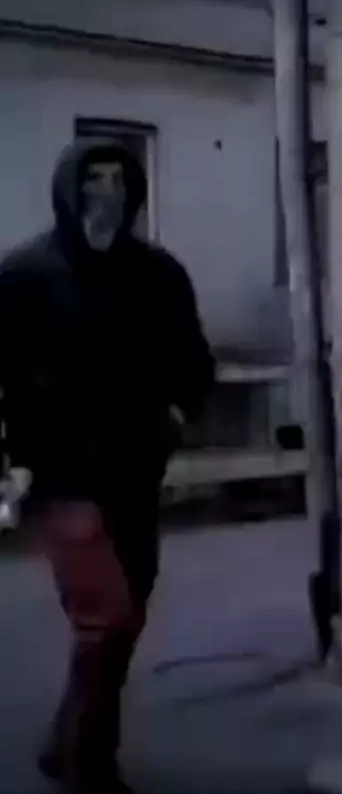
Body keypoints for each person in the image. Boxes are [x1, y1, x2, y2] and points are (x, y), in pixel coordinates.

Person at [0, 139, 215, 793]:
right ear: (69, 189)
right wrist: (11, 462)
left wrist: (180, 411)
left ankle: (65, 740)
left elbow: (192, 356)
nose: (107, 193)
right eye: (93, 179)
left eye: (119, 180)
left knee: (126, 616)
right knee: (105, 616)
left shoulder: (158, 273)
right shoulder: (27, 273)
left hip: (135, 471)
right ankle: (90, 765)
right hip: (60, 476)